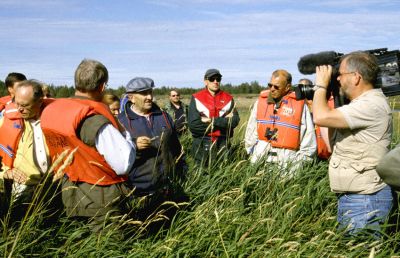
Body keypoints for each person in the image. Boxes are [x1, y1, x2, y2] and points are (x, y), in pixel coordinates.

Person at [40, 59, 136, 231]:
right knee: (109, 248)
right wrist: (128, 137)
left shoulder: (53, 110)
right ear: (102, 86)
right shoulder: (94, 118)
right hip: (101, 199)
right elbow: (123, 164)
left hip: (69, 193)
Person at [312, 51, 393, 236]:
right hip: (355, 198)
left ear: (356, 77)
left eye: (340, 74)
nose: (338, 79)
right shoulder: (358, 105)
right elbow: (331, 140)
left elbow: (319, 116)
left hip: (366, 200)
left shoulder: (370, 105)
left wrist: (320, 86)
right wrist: (330, 94)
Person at [118, 77, 186, 223]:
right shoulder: (121, 122)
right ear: (131, 98)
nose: (149, 97)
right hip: (138, 192)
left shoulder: (164, 117)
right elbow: (116, 157)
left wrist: (183, 174)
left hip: (167, 189)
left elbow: (177, 148)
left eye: (150, 92)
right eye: (144, 93)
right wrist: (134, 146)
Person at [0, 80, 59, 222]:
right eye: (17, 103)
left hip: (53, 187)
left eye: (25, 105)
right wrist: (6, 172)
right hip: (22, 188)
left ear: (40, 102)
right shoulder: (5, 122)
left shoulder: (55, 120)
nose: (19, 109)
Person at [244, 70, 316, 173]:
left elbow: (309, 143)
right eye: (270, 85)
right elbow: (250, 134)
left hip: (287, 166)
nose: (272, 89)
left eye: (276, 86)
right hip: (260, 163)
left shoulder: (300, 106)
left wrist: (297, 165)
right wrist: (253, 154)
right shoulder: (260, 103)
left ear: (287, 87)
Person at [188, 69, 240, 166]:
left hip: (223, 144)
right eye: (212, 79)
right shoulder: (196, 98)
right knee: (201, 177)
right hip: (201, 145)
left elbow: (235, 121)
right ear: (206, 81)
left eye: (218, 79)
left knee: (223, 176)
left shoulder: (228, 98)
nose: (215, 81)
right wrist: (224, 123)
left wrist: (211, 121)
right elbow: (194, 126)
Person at [298, 78, 332, 160]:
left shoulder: (320, 102)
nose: (302, 90)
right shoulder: (296, 107)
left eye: (304, 87)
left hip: (322, 150)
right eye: (300, 87)